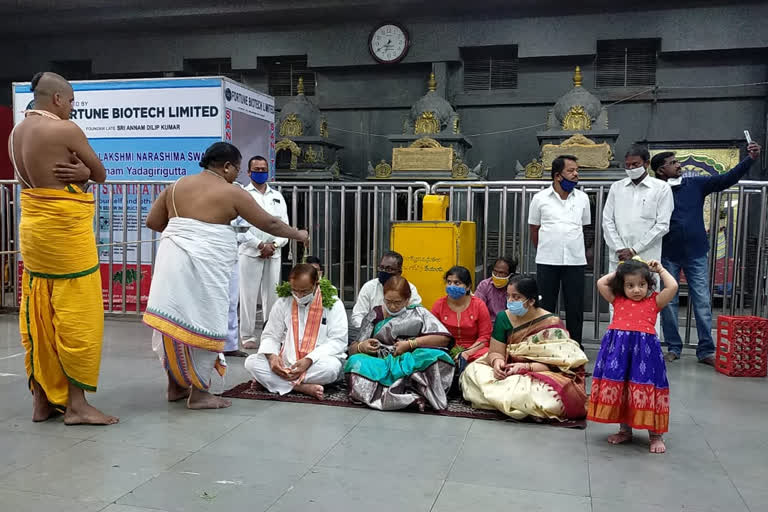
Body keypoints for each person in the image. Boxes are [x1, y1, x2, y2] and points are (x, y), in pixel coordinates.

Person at [144, 142, 308, 410]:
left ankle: (175, 385)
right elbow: (269, 223)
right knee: (206, 322)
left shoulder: (175, 187)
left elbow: (153, 222)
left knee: (174, 325)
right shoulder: (231, 192)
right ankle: (198, 394)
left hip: (172, 265)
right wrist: (298, 234)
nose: (237, 175)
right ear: (227, 166)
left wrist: (185, 231)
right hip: (205, 270)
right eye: (238, 169)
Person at [9, 71, 117, 425]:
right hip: (65, 233)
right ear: (57, 99)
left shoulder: (17, 132)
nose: (72, 108)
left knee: (39, 312)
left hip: (34, 229)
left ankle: (42, 401)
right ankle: (77, 404)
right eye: (71, 101)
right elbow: (99, 172)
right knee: (77, 316)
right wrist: (84, 173)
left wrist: (81, 172)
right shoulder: (65, 130)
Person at [653, 142, 762, 365]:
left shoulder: (694, 184)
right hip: (667, 253)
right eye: (672, 163)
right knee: (669, 302)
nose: (678, 165)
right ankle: (673, 347)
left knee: (702, 300)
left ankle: (706, 350)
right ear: (661, 170)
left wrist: (750, 159)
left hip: (696, 251)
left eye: (677, 161)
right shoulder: (655, 190)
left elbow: (726, 179)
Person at [460, 276, 589, 422]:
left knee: (547, 394)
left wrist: (526, 366)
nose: (510, 301)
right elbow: (495, 351)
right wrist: (497, 363)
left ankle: (510, 403)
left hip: (540, 371)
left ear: (531, 300)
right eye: (508, 296)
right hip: (508, 368)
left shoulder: (551, 322)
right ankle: (525, 407)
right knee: (472, 373)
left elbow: (560, 363)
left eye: (516, 297)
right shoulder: (504, 317)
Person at [587, 258, 678, 454]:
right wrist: (620, 270)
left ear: (649, 285)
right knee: (622, 389)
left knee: (646, 389)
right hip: (618, 354)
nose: (636, 290)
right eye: (630, 285)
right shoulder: (617, 300)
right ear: (622, 286)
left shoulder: (654, 301)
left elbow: (673, 286)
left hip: (645, 357)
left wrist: (660, 269)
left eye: (641, 285)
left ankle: (655, 435)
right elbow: (601, 282)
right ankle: (624, 430)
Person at [345, 276, 454, 411]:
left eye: (397, 302)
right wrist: (362, 347)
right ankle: (409, 399)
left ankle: (412, 395)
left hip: (411, 357)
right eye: (388, 301)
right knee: (355, 362)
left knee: (434, 357)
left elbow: (443, 338)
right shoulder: (375, 314)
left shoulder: (419, 313)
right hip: (381, 361)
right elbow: (352, 349)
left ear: (407, 300)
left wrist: (410, 344)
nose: (392, 306)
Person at [244, 264, 347, 399]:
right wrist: (272, 357)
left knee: (331, 369)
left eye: (304, 292)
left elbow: (338, 340)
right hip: (287, 362)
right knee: (251, 362)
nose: (299, 296)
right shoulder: (283, 301)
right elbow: (271, 335)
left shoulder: (333, 303)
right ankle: (302, 387)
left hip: (316, 363)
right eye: (295, 291)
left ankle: (274, 382)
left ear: (316, 284)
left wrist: (309, 359)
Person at [603, 144, 674, 328]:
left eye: (635, 164)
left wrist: (634, 250)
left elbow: (662, 225)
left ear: (647, 163)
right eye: (628, 165)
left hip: (647, 257)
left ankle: (649, 346)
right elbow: (607, 221)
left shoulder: (661, 188)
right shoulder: (616, 188)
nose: (631, 169)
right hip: (618, 256)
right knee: (618, 302)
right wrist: (620, 248)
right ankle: (618, 347)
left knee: (650, 302)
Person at [528, 155, 590, 347]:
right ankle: (546, 347)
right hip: (547, 260)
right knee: (546, 306)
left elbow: (585, 227)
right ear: (557, 175)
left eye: (576, 170)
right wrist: (546, 249)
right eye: (570, 171)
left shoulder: (583, 198)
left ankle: (575, 347)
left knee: (575, 307)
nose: (576, 174)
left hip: (575, 261)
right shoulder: (540, 199)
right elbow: (534, 229)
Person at [238, 155, 289, 350]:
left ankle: (271, 334)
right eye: (256, 170)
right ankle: (247, 335)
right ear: (249, 172)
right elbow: (239, 227)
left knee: (272, 297)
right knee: (248, 296)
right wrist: (259, 245)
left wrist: (274, 245)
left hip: (273, 252)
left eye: (263, 169)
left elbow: (284, 225)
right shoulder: (243, 195)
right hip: (250, 252)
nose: (261, 173)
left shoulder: (276, 196)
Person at [431, 266, 492, 373]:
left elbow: (485, 337)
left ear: (468, 286)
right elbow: (432, 333)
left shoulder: (478, 305)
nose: (451, 286)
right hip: (445, 350)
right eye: (449, 282)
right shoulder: (439, 305)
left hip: (474, 350)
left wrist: (467, 353)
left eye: (457, 283)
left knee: (487, 356)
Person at [349, 251, 422, 330]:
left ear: (399, 272)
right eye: (381, 267)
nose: (383, 271)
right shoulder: (369, 287)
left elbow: (417, 316)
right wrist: (367, 331)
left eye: (389, 269)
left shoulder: (409, 288)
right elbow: (358, 315)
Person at [473, 256, 518, 323]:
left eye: (501, 273)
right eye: (495, 272)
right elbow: (477, 308)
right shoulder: (485, 285)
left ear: (510, 275)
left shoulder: (516, 287)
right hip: (488, 324)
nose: (497, 275)